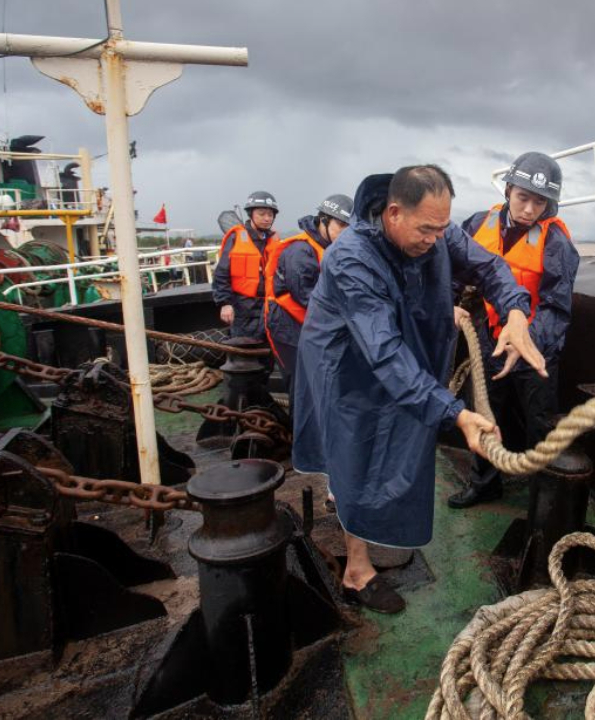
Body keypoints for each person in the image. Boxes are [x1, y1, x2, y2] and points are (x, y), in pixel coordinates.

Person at [292, 165, 547, 613]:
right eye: (427, 230)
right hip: (347, 362)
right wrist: (456, 414)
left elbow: (488, 266)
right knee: (355, 448)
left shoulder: (435, 230)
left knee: (400, 432)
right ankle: (356, 570)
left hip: (395, 345)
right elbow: (384, 353)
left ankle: (364, 516)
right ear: (393, 213)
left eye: (442, 229)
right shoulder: (350, 256)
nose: (436, 240)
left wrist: (514, 313)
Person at [448, 152, 580, 509]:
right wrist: (450, 301)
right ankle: (485, 484)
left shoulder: (557, 244)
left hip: (536, 348)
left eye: (540, 202)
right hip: (490, 340)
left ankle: (544, 497)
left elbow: (555, 307)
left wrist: (524, 344)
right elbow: (454, 270)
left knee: (540, 424)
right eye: (523, 197)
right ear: (508, 190)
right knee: (486, 414)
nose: (529, 209)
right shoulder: (478, 224)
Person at [263, 193, 353, 414]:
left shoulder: (331, 249)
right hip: (288, 328)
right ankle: (302, 441)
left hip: (310, 325)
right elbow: (307, 296)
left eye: (348, 227)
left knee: (319, 382)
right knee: (303, 384)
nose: (344, 232)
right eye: (340, 225)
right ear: (323, 220)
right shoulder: (300, 252)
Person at [212, 190, 280, 340]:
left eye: (270, 215)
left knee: (267, 349)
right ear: (251, 214)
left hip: (267, 306)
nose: (267, 218)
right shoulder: (237, 238)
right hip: (243, 307)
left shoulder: (272, 240)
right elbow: (222, 273)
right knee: (245, 352)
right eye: (262, 214)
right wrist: (225, 303)